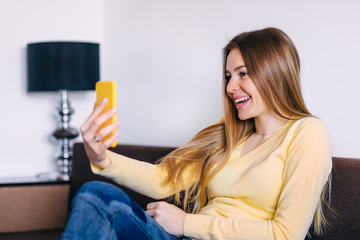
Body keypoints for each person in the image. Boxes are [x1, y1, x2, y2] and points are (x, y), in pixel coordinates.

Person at [61, 27, 332, 240]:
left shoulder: (307, 133)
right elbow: (163, 180)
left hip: (188, 230)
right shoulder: (225, 133)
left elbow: (286, 234)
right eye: (228, 76)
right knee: (94, 193)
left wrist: (186, 223)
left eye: (242, 74)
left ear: (275, 73)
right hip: (182, 236)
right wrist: (101, 158)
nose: (230, 87)